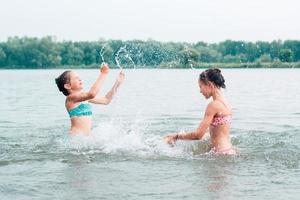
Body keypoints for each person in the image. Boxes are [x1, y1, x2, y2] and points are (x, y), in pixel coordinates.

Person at [164, 68, 237, 155]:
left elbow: (198, 135)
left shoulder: (213, 105)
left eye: (200, 86)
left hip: (220, 153)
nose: (200, 91)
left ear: (209, 84)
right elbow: (218, 131)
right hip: (230, 151)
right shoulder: (226, 103)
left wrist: (176, 136)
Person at [55, 63, 125, 135]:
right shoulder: (71, 98)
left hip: (85, 139)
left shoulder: (84, 97)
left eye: (79, 77)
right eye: (76, 78)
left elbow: (106, 100)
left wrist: (117, 83)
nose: (80, 79)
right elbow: (92, 94)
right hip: (76, 138)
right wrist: (103, 74)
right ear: (68, 86)